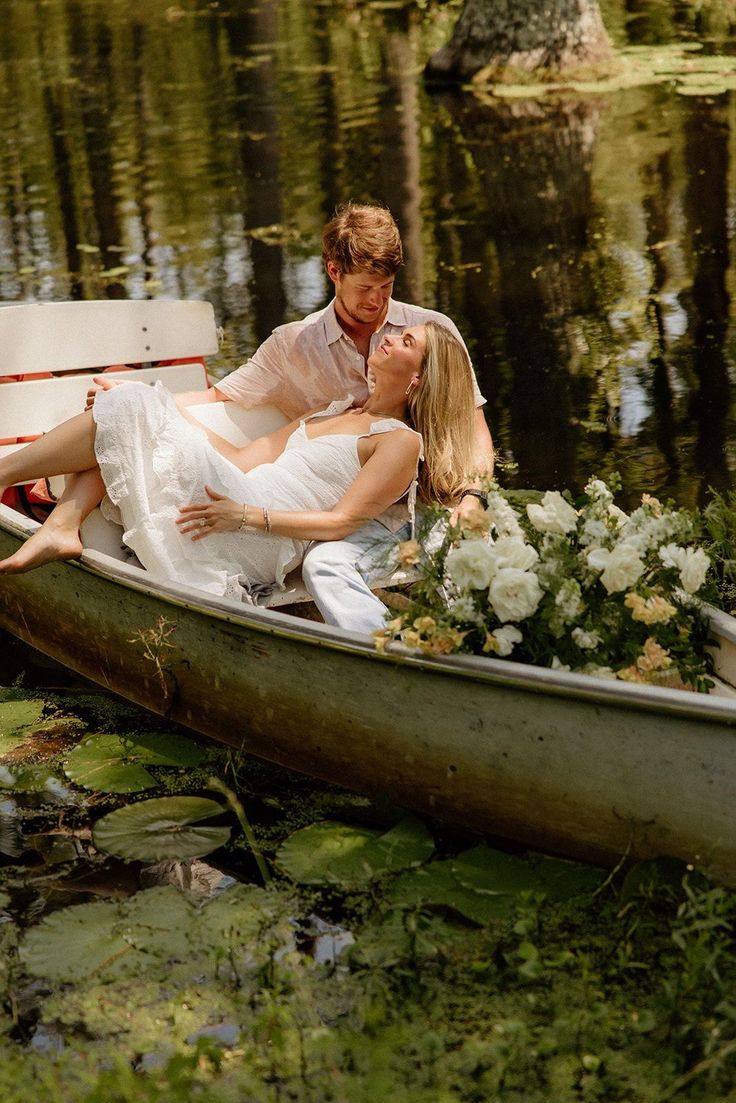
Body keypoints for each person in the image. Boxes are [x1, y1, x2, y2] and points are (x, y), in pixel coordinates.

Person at [86, 203, 494, 630]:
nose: (377, 301)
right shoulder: (293, 344)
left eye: (387, 287)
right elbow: (216, 394)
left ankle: (480, 641)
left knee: (462, 561)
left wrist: (474, 497)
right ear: (334, 272)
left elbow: (474, 432)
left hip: (425, 507)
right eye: (365, 288)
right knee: (324, 564)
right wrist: (145, 400)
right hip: (337, 515)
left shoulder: (430, 334)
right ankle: (382, 659)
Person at [0, 324, 478, 608]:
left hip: (261, 535)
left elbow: (341, 522)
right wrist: (157, 406)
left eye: (406, 340)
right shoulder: (331, 412)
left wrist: (245, 516)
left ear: (418, 379)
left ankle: (50, 513)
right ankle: (62, 523)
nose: (391, 334)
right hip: (234, 495)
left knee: (127, 411)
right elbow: (239, 458)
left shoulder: (399, 440)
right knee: (126, 412)